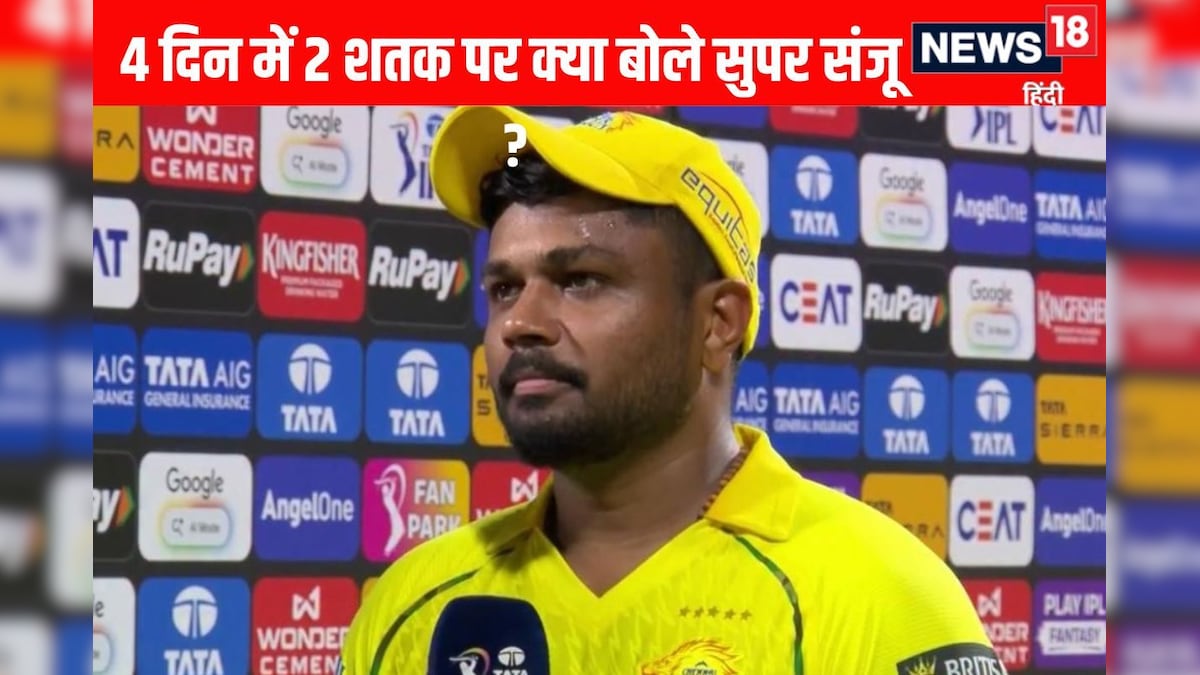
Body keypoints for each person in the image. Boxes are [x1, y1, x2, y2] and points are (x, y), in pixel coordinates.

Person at [341, 106, 1002, 675]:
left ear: (718, 322)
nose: (521, 323)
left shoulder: (882, 595)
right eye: (505, 288)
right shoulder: (414, 603)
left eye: (581, 280)